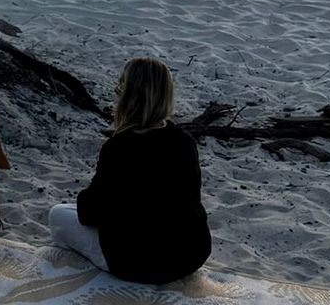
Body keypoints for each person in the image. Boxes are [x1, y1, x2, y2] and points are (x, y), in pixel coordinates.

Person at [49, 57, 211, 284]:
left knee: (58, 214)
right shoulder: (184, 141)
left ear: (128, 96)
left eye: (119, 89)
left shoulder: (119, 147)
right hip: (191, 254)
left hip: (137, 262)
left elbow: (89, 212)